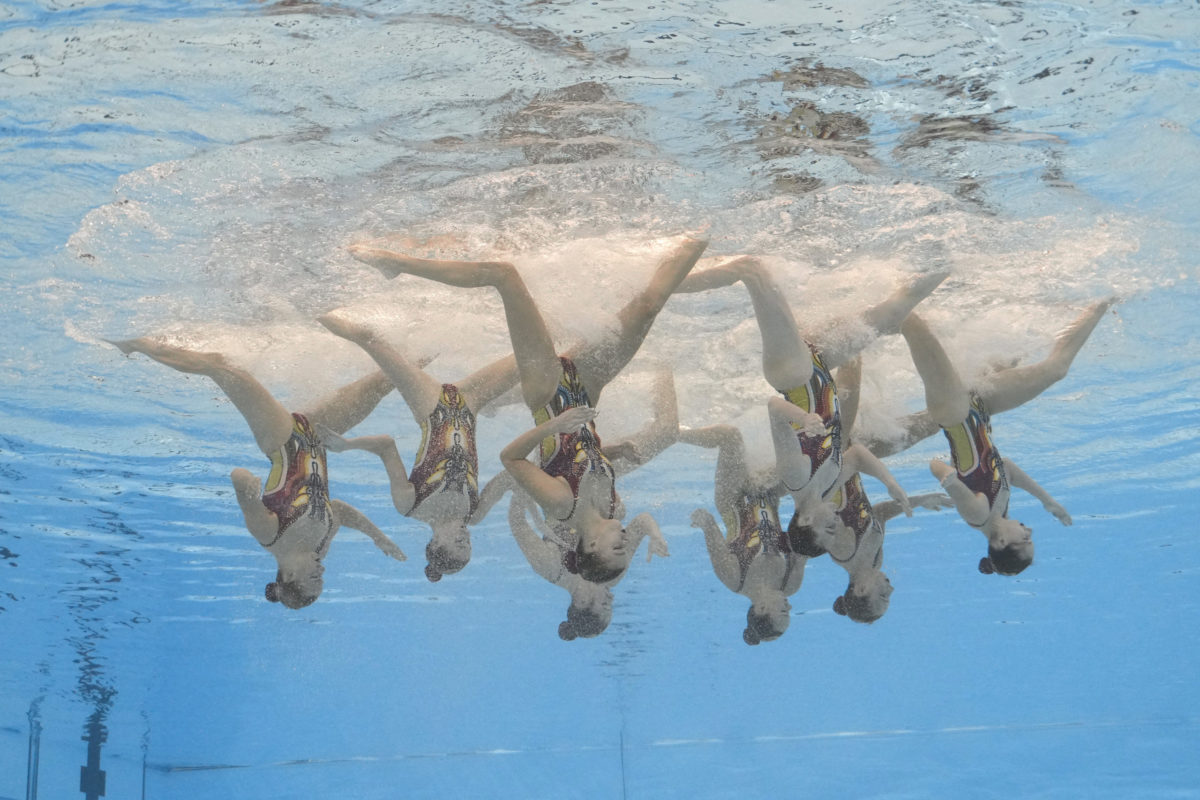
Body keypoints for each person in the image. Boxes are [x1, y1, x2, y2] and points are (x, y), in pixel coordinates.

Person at [348, 235, 707, 584]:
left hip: (547, 391)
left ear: (592, 546)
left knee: (504, 276)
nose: (626, 543)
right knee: (648, 305)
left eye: (617, 550)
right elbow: (575, 461)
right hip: (587, 388)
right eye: (626, 551)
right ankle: (698, 236)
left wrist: (554, 426)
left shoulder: (561, 505)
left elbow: (512, 459)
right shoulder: (613, 508)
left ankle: (398, 264)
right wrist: (613, 452)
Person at [106, 337, 406, 609]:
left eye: (314, 578)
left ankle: (135, 343)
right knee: (386, 381)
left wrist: (246, 488)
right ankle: (428, 344)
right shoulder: (320, 546)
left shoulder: (270, 535)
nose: (322, 571)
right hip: (317, 434)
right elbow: (338, 511)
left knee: (219, 366)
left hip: (282, 438)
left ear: (289, 576)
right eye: (322, 578)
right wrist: (377, 537)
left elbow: (238, 476)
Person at [674, 253, 945, 532]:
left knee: (753, 271)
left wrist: (803, 419)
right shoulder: (828, 487)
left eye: (828, 529)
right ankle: (949, 262)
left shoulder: (795, 477)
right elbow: (857, 456)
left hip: (791, 372)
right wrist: (891, 484)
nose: (837, 524)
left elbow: (774, 407)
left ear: (805, 520)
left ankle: (666, 286)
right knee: (894, 313)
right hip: (821, 364)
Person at [896, 300, 1112, 575]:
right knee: (1049, 367)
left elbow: (935, 464)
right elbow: (1006, 467)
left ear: (1000, 543)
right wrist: (1048, 501)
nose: (1029, 530)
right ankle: (1103, 302)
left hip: (953, 411)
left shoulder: (978, 514)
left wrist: (948, 477)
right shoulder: (1000, 510)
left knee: (910, 321)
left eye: (1025, 539)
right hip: (982, 406)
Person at [315, 313, 520, 581]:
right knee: (535, 357)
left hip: (430, 405)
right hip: (471, 402)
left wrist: (347, 445)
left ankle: (314, 312)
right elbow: (512, 474)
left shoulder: (412, 505)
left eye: (459, 542)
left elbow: (386, 446)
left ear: (435, 543)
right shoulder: (475, 512)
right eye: (469, 543)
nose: (466, 536)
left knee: (367, 338)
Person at [786, 357, 951, 623]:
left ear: (861, 589)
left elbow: (809, 517)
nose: (891, 590)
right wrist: (919, 500)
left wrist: (890, 483)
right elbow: (879, 514)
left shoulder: (843, 550)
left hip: (832, 453)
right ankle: (975, 382)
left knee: (848, 375)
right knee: (927, 426)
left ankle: (841, 339)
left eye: (883, 596)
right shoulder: (874, 560)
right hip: (853, 454)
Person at [681, 419, 806, 645]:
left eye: (784, 612)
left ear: (762, 608)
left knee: (730, 436)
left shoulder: (734, 578)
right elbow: (805, 536)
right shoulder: (791, 583)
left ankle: (673, 434)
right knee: (805, 464)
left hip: (733, 498)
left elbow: (710, 529)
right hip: (768, 493)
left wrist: (703, 521)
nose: (789, 607)